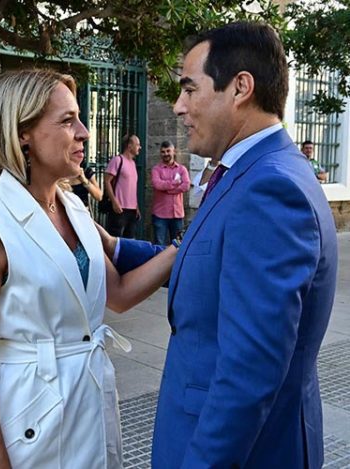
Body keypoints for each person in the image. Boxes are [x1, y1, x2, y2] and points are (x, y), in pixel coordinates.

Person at [0, 69, 178, 468]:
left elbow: (119, 293)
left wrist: (183, 249)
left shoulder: (73, 207)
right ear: (23, 133)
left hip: (87, 402)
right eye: (67, 120)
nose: (85, 132)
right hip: (28, 420)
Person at [152, 22, 338, 468]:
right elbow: (213, 260)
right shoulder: (254, 170)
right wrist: (117, 249)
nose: (178, 107)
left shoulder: (269, 189)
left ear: (240, 88)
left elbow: (247, 374)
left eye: (189, 89)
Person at [150, 141, 190, 244]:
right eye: (163, 152)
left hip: (177, 215)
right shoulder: (156, 169)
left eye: (168, 151)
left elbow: (186, 185)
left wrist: (168, 189)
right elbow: (157, 184)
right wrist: (175, 183)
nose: (166, 154)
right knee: (159, 244)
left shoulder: (182, 169)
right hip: (160, 215)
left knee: (177, 245)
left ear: (174, 151)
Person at [104, 134, 141, 238]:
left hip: (132, 210)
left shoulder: (133, 163)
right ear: (129, 146)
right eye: (137, 145)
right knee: (115, 239)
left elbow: (132, 186)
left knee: (130, 239)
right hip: (119, 209)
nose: (140, 147)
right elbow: (107, 181)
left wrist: (136, 206)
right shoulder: (117, 160)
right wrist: (114, 201)